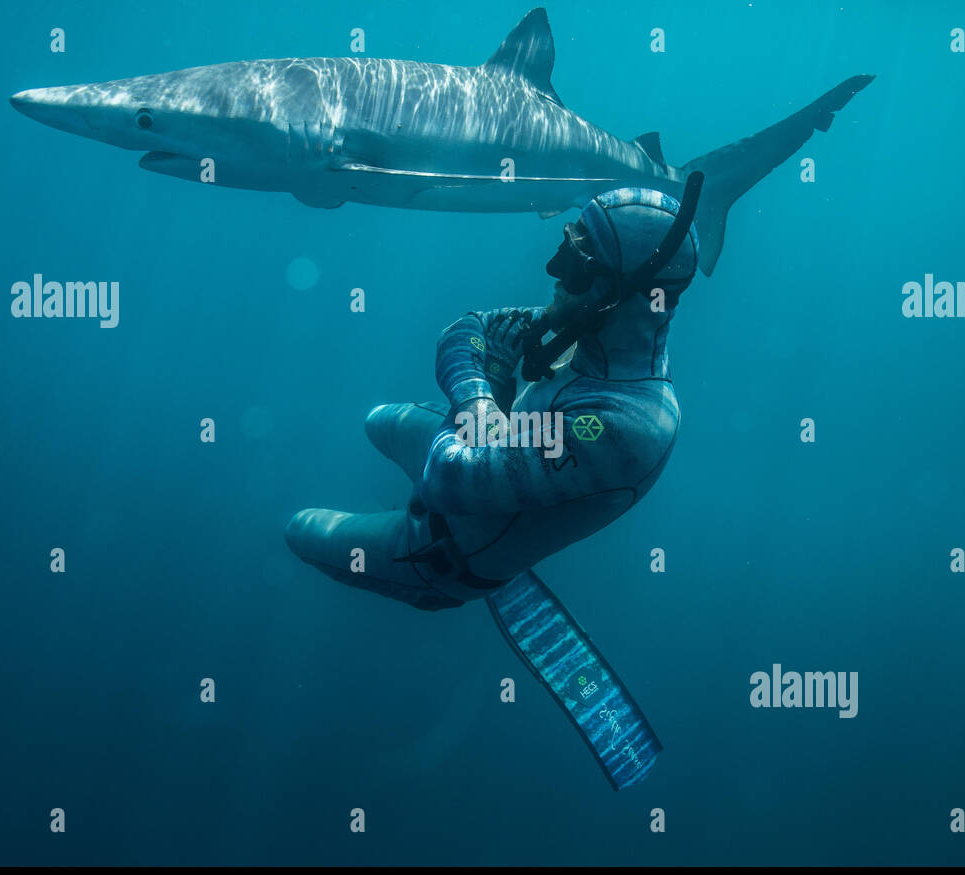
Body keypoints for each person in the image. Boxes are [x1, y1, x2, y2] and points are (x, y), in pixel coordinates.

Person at [285, 179, 702, 613]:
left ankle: (430, 586)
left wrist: (489, 392)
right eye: (566, 244)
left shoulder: (624, 427)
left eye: (576, 263)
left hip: (437, 551)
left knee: (299, 531)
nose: (553, 270)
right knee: (376, 420)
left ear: (616, 293)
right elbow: (466, 330)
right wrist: (482, 408)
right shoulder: (592, 326)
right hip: (468, 453)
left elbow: (448, 479)